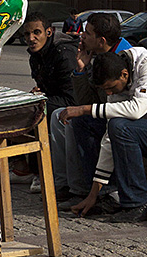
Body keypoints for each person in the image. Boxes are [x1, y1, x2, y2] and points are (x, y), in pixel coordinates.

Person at [59, 47, 147, 222]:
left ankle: (139, 203)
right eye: (104, 89)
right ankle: (104, 196)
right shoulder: (118, 83)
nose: (108, 93)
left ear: (124, 74)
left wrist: (85, 108)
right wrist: (94, 192)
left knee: (120, 126)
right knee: (88, 123)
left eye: (110, 88)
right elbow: (109, 137)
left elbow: (136, 110)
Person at [50, 13, 132, 207]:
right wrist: (80, 70)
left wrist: (83, 110)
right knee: (58, 116)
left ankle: (83, 189)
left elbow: (112, 101)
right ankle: (65, 185)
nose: (81, 36)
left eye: (87, 33)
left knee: (76, 121)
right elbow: (86, 100)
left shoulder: (121, 58)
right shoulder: (95, 56)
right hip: (103, 112)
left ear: (101, 40)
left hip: (122, 116)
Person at [11, 11, 77, 192]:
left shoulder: (63, 53)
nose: (31, 38)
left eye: (36, 33)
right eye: (27, 34)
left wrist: (42, 99)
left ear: (48, 32)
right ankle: (24, 168)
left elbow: (71, 96)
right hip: (55, 99)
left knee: (33, 112)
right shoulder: (36, 55)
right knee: (12, 111)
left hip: (70, 105)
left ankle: (40, 173)